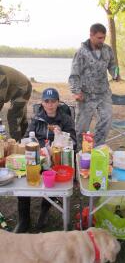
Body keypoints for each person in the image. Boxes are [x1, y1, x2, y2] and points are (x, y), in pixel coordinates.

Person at [14, 87, 76, 233]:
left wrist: (61, 136)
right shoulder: (37, 119)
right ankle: (23, 220)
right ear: (42, 103)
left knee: (51, 174)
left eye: (53, 101)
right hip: (38, 155)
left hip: (57, 158)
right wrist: (38, 148)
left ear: (58, 102)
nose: (50, 104)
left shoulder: (65, 119)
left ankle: (44, 211)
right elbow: (27, 138)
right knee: (24, 175)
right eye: (46, 101)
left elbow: (74, 142)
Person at [69, 23, 119, 151]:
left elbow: (112, 65)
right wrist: (76, 91)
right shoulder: (81, 52)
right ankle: (80, 151)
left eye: (103, 37)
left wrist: (115, 74)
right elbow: (74, 74)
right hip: (86, 95)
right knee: (82, 127)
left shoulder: (107, 50)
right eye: (99, 38)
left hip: (103, 93)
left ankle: (98, 148)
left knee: (106, 120)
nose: (102, 40)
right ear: (91, 35)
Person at [0, 65, 32, 141]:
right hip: (15, 88)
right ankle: (26, 139)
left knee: (13, 116)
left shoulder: (1, 76)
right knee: (21, 118)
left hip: (23, 89)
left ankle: (17, 144)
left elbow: (0, 100)